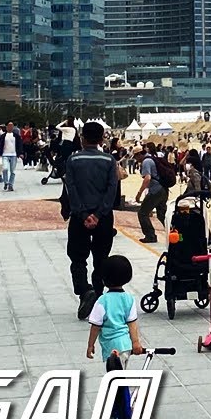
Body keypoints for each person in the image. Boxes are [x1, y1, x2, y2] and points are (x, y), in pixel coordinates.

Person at [63, 122, 120, 320]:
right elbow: (112, 190)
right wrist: (98, 213)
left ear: (82, 138)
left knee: (77, 258)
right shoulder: (109, 160)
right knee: (101, 258)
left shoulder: (73, 160)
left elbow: (71, 189)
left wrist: (83, 214)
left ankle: (85, 291)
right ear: (102, 138)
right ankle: (97, 295)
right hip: (103, 218)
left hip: (79, 217)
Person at [85, 255, 144, 364]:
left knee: (114, 373)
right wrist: (135, 342)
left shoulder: (102, 301)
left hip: (111, 346)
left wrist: (90, 345)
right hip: (125, 345)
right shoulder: (129, 299)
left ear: (104, 279)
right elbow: (132, 324)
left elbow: (95, 326)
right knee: (121, 370)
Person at [134, 146, 168, 244]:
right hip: (163, 189)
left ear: (139, 154)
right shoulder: (152, 158)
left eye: (136, 157)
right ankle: (176, 233)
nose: (136, 159)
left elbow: (147, 178)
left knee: (142, 213)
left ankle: (150, 236)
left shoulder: (146, 161)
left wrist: (139, 193)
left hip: (155, 191)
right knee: (162, 216)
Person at [0, 121, 21, 192]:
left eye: (12, 126)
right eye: (9, 126)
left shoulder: (16, 136)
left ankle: (11, 184)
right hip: (5, 155)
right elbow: (0, 145)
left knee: (13, 171)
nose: (11, 127)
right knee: (5, 168)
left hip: (13, 155)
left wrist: (20, 153)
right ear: (6, 127)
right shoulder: (3, 136)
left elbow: (19, 145)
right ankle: (6, 182)